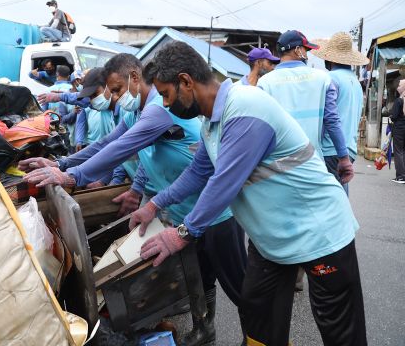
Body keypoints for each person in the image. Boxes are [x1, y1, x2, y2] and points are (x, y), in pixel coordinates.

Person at [140, 40, 366, 346]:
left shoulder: (246, 107)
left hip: (318, 232)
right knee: (258, 315)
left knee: (340, 329)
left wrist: (182, 233)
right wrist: (154, 204)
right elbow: (197, 173)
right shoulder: (211, 124)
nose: (165, 104)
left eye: (166, 94)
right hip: (272, 239)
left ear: (186, 81)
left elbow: (224, 182)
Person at [20, 54, 247, 344]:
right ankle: (205, 327)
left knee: (237, 284)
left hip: (215, 211)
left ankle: (255, 336)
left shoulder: (159, 109)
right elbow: (109, 144)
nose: (115, 98)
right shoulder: (134, 113)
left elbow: (124, 148)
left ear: (135, 77)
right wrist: (62, 164)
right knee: (199, 275)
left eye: (117, 89)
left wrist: (73, 176)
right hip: (181, 209)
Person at [258, 30, 354, 183]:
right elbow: (332, 121)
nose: (307, 55)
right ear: (297, 50)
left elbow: (261, 126)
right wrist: (343, 157)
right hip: (312, 164)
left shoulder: (265, 82)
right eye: (306, 50)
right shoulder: (322, 79)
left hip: (276, 167)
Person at [311, 32, 369, 193]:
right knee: (340, 195)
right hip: (349, 148)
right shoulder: (356, 83)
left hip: (331, 148)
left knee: (328, 198)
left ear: (330, 58)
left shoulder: (330, 79)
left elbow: (329, 117)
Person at [390, 79, 405, 183]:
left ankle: (401, 176)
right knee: (403, 151)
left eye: (399, 85)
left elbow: (394, 117)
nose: (397, 87)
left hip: (399, 129)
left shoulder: (399, 101)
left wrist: (391, 116)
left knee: (398, 152)